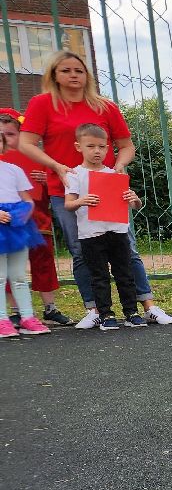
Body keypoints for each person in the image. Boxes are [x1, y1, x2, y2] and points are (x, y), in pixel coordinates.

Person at [18, 51, 140, 329]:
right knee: (81, 249)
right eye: (66, 70)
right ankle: (95, 309)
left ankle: (141, 305)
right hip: (66, 188)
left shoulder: (104, 106)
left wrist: (119, 166)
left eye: (79, 70)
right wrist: (57, 166)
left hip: (106, 186)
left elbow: (126, 145)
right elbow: (26, 143)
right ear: (54, 75)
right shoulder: (42, 104)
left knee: (125, 248)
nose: (73, 75)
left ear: (87, 75)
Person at [64, 124, 145, 331]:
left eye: (101, 146)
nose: (97, 151)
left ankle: (131, 312)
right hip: (91, 234)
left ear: (108, 148)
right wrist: (82, 200)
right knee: (99, 276)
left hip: (117, 232)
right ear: (78, 146)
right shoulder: (74, 175)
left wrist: (134, 199)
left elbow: (135, 205)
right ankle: (106, 314)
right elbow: (68, 204)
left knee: (125, 273)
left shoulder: (114, 174)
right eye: (90, 146)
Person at [0, 110, 69, 327]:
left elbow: (56, 191)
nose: (5, 139)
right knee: (10, 268)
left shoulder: (38, 158)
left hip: (37, 220)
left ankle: (50, 307)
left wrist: (47, 181)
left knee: (43, 262)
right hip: (7, 223)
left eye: (10, 134)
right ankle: (14, 311)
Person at [0, 127, 48, 337]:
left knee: (19, 275)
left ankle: (27, 317)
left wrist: (24, 213)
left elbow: (27, 200)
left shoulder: (13, 170)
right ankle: (2, 320)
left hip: (17, 224)